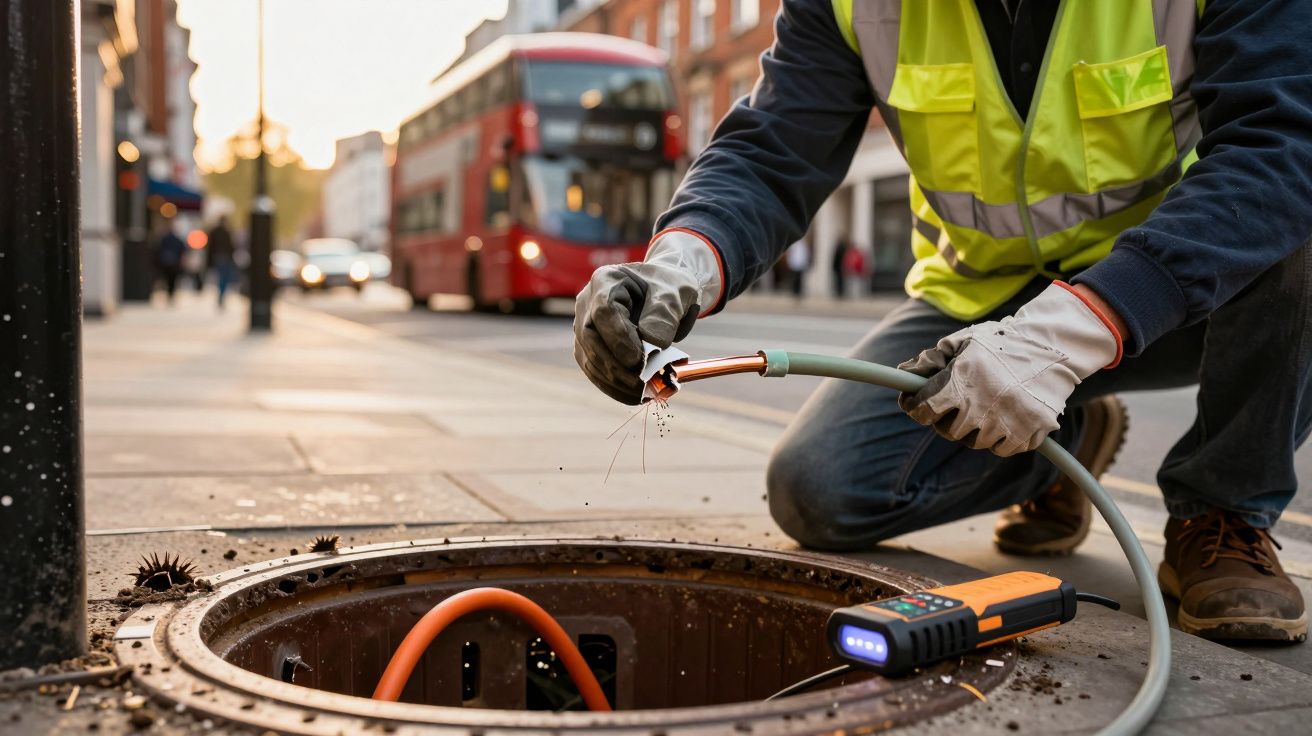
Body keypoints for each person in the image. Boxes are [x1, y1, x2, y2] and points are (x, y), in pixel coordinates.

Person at [573, 0, 1312, 643]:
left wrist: (1071, 332)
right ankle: (1069, 443)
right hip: (978, 297)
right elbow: (770, 151)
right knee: (820, 490)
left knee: (1295, 220)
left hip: (1178, 284)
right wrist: (680, 264)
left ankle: (1224, 510)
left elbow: (1279, 146)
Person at [207, 216, 237, 309]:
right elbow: (231, 247)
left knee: (222, 278)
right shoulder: (227, 232)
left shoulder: (215, 232)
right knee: (223, 278)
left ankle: (221, 295)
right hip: (224, 257)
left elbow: (210, 248)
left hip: (218, 257)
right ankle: (221, 295)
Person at [154, 223, 186, 304]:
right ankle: (171, 294)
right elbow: (183, 250)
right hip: (174, 263)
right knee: (173, 280)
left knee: (167, 279)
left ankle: (169, 294)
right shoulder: (176, 239)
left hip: (166, 263)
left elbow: (158, 249)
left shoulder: (164, 239)